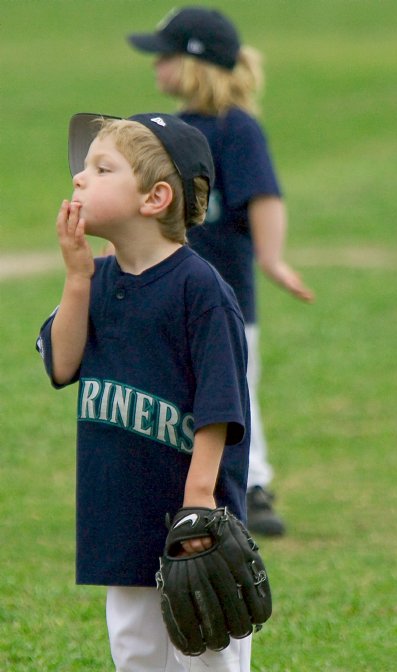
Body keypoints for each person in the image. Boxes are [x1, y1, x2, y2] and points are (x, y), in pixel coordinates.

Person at [36, 111, 252, 672]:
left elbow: (220, 405)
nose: (80, 178)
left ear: (155, 198)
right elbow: (62, 365)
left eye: (102, 168)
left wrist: (199, 501)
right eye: (83, 167)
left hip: (191, 522)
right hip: (121, 518)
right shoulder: (97, 280)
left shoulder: (199, 289)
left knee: (206, 654)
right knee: (135, 654)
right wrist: (77, 278)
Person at [127, 6, 314, 537]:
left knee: (234, 388)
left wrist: (272, 258)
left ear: (193, 63)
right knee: (172, 386)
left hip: (227, 292)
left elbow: (264, 197)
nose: (155, 67)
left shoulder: (236, 129)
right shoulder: (170, 130)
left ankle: (251, 486)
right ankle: (175, 482)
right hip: (168, 288)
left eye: (163, 56)